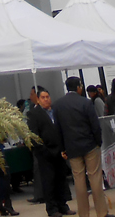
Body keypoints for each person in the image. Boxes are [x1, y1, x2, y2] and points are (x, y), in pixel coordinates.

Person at [54, 76, 110, 217]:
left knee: (79, 181)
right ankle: (102, 213)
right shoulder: (85, 103)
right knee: (95, 178)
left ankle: (84, 214)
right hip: (89, 145)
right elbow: (95, 125)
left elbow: (58, 129)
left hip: (72, 148)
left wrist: (63, 148)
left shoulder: (58, 105)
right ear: (79, 87)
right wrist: (98, 142)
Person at [26, 87, 70, 217]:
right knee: (49, 182)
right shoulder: (33, 115)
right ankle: (52, 209)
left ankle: (63, 205)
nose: (46, 100)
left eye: (47, 97)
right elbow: (34, 136)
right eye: (43, 98)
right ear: (38, 100)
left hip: (60, 152)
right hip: (45, 154)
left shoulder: (56, 111)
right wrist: (45, 151)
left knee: (61, 180)